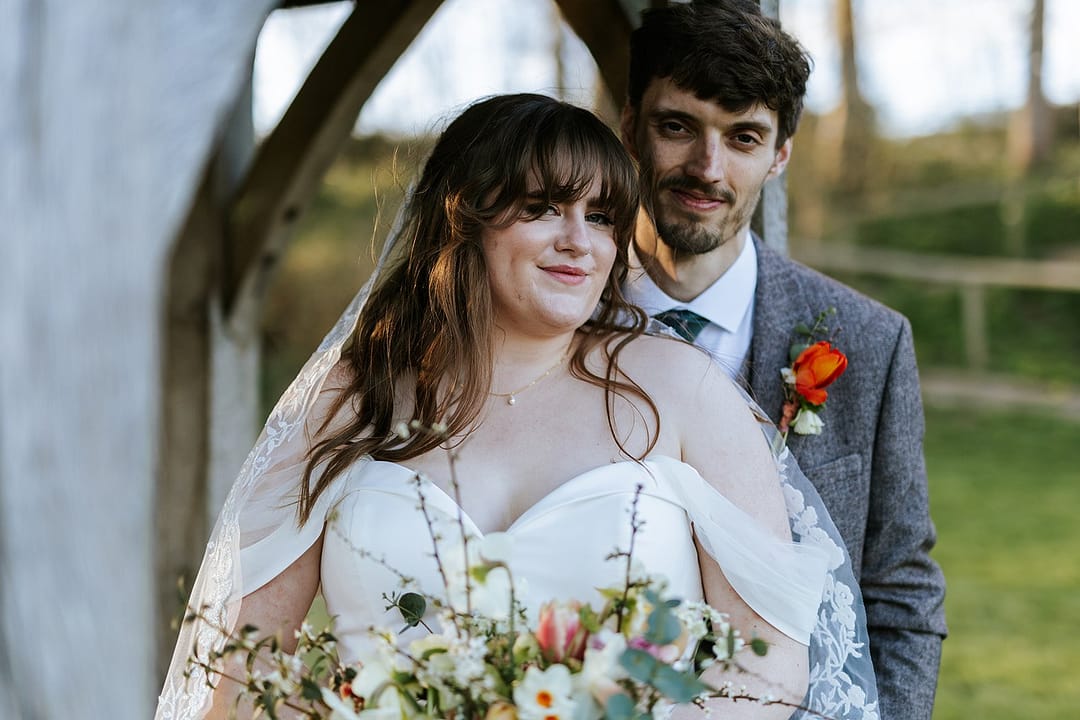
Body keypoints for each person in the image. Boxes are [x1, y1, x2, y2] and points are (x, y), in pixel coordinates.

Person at [156, 93, 875, 720]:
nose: (579, 242)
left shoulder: (682, 391)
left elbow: (770, 662)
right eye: (543, 208)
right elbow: (240, 668)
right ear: (462, 218)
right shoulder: (354, 397)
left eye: (602, 217)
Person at [618, 3, 947, 719]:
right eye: (677, 126)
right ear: (629, 125)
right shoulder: (554, 322)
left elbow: (901, 590)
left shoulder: (871, 341)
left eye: (743, 137)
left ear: (780, 155)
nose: (707, 168)